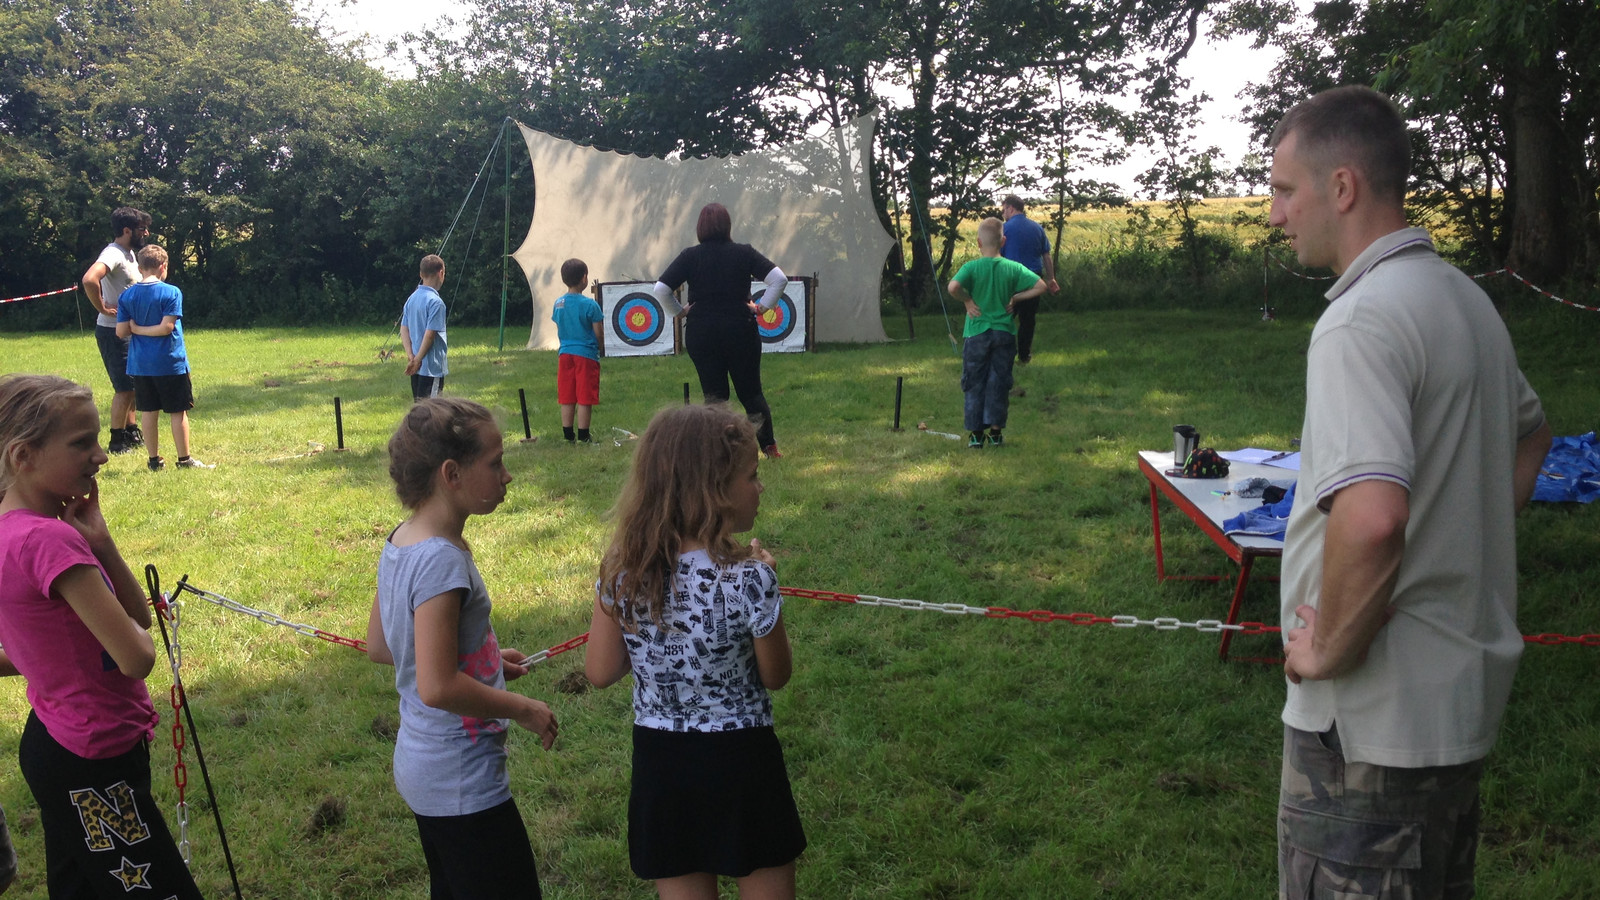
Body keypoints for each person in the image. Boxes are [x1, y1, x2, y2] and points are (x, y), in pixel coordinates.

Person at [1268, 86, 1552, 900]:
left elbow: (1373, 515)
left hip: (1368, 731)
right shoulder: (1464, 300)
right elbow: (1533, 433)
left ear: (1344, 187)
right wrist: (1462, 533)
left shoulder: (1360, 322)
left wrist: (1329, 652)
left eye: (1287, 190)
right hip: (1455, 711)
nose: (1276, 213)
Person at [585, 404, 804, 900]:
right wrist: (765, 587)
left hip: (663, 767)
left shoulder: (622, 575)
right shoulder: (752, 578)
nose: (760, 487)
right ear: (715, 491)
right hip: (742, 763)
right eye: (752, 476)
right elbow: (776, 676)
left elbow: (599, 671)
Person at [0, 374, 205, 899]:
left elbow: (135, 614)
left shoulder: (11, 531)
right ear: (23, 456)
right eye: (81, 443)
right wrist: (82, 548)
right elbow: (137, 654)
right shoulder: (49, 542)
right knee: (155, 888)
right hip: (94, 757)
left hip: (54, 742)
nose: (102, 455)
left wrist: (104, 544)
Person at [365, 397, 559, 900]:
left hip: (424, 770)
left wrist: (487, 662)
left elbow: (384, 646)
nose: (507, 476)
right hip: (461, 784)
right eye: (495, 463)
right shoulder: (442, 561)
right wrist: (524, 709)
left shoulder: (402, 538)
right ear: (451, 473)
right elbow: (437, 684)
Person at [652, 203, 788, 458]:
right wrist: (762, 308)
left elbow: (661, 289)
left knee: (715, 398)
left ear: (699, 228)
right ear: (728, 225)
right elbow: (779, 279)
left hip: (702, 332)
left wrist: (680, 312)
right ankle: (769, 448)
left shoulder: (690, 256)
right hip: (740, 330)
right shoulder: (743, 253)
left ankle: (721, 452)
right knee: (751, 393)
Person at [947, 218, 1046, 449]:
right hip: (1004, 333)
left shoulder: (971, 267)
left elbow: (953, 288)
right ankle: (995, 433)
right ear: (1003, 241)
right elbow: (1041, 286)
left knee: (974, 381)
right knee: (999, 382)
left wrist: (968, 301)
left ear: (979, 242)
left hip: (976, 333)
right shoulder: (1012, 267)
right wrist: (1016, 298)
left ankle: (975, 435)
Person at [116, 245, 212, 471]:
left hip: (141, 365)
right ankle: (184, 459)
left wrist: (136, 328)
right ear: (163, 266)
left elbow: (121, 331)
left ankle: (153, 460)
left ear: (139, 268)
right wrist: (141, 329)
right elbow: (166, 328)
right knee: (178, 412)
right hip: (170, 363)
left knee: (148, 412)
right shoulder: (171, 292)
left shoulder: (127, 295)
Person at [80, 206, 151, 454]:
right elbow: (90, 279)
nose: (147, 233)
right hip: (113, 332)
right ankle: (116, 441)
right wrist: (102, 307)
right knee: (124, 389)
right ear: (126, 230)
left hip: (130, 332)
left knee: (131, 385)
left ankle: (131, 431)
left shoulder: (129, 254)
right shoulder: (113, 253)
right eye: (142, 228)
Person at [999, 195, 1060, 365]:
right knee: (1028, 320)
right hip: (1034, 280)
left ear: (1011, 208)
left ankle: (1003, 354)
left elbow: (997, 257)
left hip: (1010, 279)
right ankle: (1024, 356)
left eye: (1004, 210)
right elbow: (1046, 255)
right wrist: (1051, 279)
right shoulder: (1037, 228)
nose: (1003, 214)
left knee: (1005, 316)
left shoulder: (1004, 229)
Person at [550, 258, 603, 443]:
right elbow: (598, 332)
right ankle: (583, 435)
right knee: (584, 395)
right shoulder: (590, 305)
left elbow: (559, 324)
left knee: (567, 394)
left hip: (564, 354)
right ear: (584, 278)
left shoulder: (558, 303)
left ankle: (568, 434)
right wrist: (600, 347)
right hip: (586, 355)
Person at [400, 255, 449, 401]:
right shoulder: (436, 303)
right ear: (441, 273)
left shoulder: (412, 298)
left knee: (419, 409)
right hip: (431, 369)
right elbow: (430, 335)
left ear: (421, 274)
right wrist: (418, 360)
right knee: (431, 411)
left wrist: (411, 356)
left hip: (415, 366)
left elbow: (404, 329)